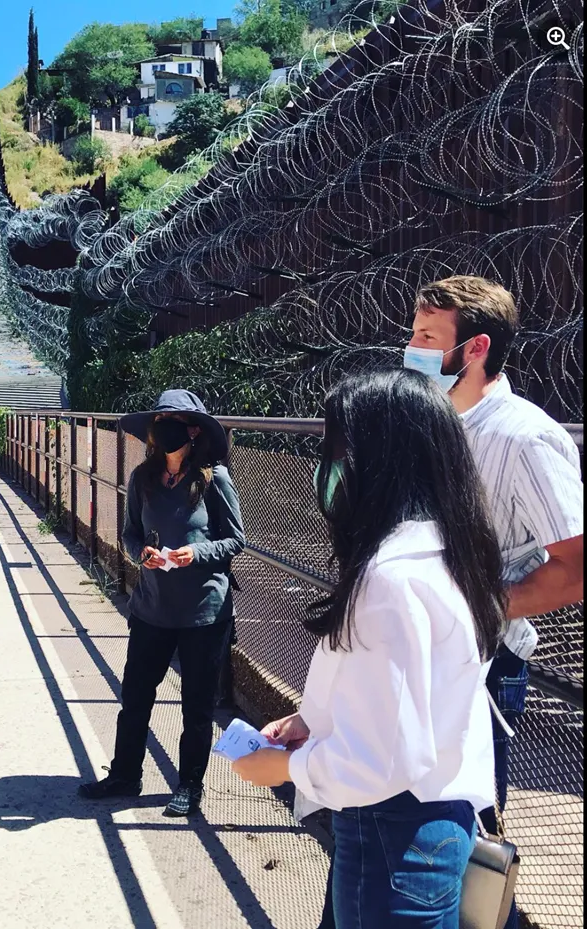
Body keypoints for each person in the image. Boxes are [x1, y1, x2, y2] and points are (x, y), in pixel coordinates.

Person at [233, 369, 504, 929]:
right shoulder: (454, 554)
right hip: (441, 822)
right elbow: (421, 705)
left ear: (376, 460)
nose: (329, 468)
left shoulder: (388, 578)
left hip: (391, 838)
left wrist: (281, 768)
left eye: (337, 447)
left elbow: (378, 763)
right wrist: (316, 720)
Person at [406, 276, 584, 929]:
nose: (411, 348)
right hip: (407, 658)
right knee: (392, 836)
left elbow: (575, 567)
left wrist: (479, 603)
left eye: (427, 336)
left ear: (475, 347)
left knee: (461, 856)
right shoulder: (422, 420)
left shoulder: (524, 438)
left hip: (479, 672)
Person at [78, 389, 246, 816]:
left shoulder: (214, 479)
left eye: (173, 422)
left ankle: (189, 784)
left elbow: (235, 540)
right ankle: (125, 774)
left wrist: (197, 553)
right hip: (152, 607)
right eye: (159, 421)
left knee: (196, 704)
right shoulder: (143, 478)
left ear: (193, 431)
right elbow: (131, 532)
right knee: (135, 694)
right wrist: (142, 554)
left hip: (203, 612)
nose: (163, 430)